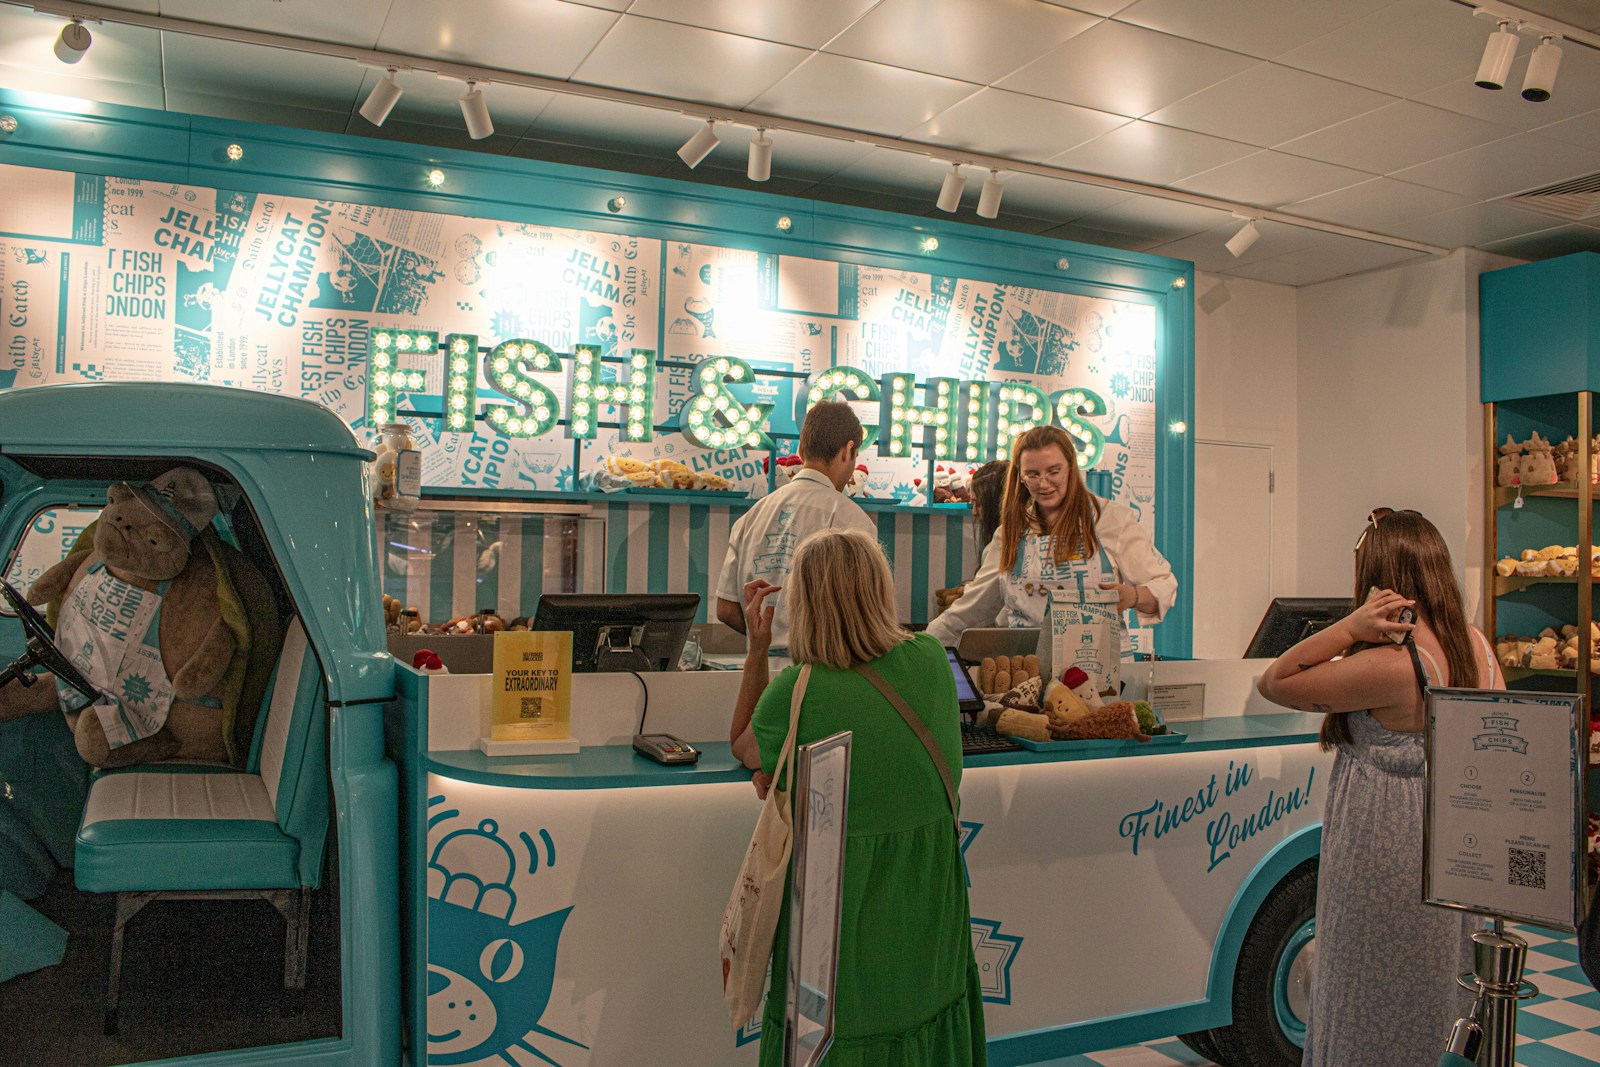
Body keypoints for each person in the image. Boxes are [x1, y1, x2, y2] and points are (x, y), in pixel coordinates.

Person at [728, 528, 987, 1067]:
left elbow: (745, 747)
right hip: (929, 905)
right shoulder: (932, 662)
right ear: (879, 590)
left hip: (841, 925)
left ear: (803, 602)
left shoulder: (795, 691)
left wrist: (755, 650)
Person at [1256, 507, 1502, 1067]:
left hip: (1384, 837)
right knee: (1442, 983)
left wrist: (1349, 628)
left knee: (1367, 984)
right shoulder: (1478, 650)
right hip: (1455, 840)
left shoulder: (1396, 663)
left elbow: (1276, 681)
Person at [925, 425, 1176, 657]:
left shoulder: (1112, 520)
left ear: (1071, 467)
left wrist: (1132, 595)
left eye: (1053, 471)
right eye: (1032, 474)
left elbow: (1164, 584)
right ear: (1020, 477)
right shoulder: (1010, 533)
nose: (1043, 484)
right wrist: (920, 647)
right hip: (1029, 673)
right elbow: (974, 607)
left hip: (1102, 674)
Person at [714, 401, 876, 648]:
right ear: (847, 450)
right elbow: (864, 619)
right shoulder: (853, 521)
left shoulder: (751, 516)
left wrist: (767, 641)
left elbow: (726, 610)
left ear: (801, 449)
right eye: (855, 457)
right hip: (822, 676)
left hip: (760, 673)